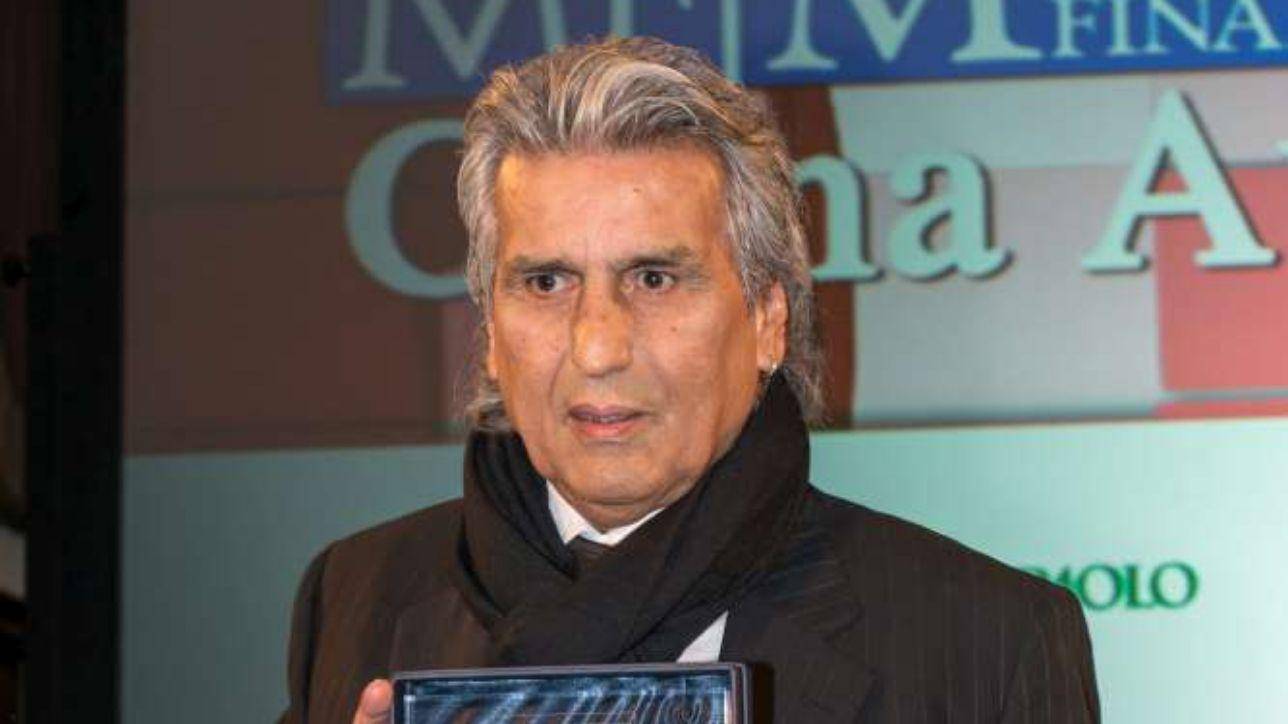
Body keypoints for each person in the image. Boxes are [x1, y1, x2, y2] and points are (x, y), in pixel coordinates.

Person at [281, 37, 1099, 724]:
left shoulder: (986, 639)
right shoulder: (356, 596)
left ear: (769, 320)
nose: (597, 347)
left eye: (654, 279)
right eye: (546, 282)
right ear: (491, 332)